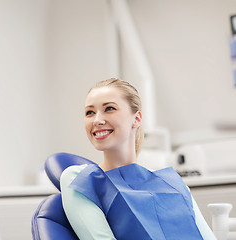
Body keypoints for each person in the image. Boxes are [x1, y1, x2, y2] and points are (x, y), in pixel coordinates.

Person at [60, 78, 216, 240]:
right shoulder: (80, 179)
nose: (97, 120)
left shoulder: (173, 183)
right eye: (90, 112)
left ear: (137, 118)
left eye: (109, 108)